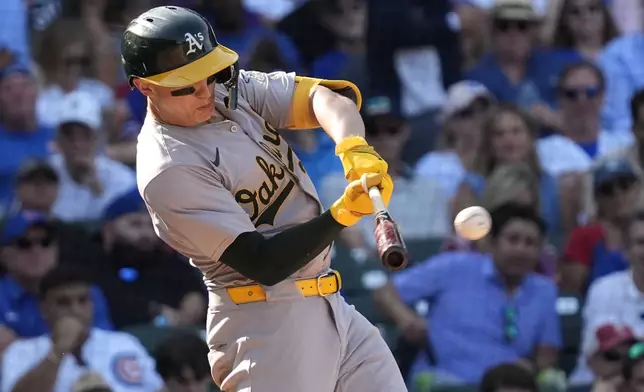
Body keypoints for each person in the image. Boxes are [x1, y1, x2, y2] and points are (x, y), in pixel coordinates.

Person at [123, 5, 403, 392]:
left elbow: (326, 97)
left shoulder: (227, 92)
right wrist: (340, 214)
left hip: (330, 303)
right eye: (186, 84)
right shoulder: (168, 167)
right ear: (144, 87)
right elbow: (263, 262)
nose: (206, 91)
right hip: (263, 323)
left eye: (210, 73)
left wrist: (353, 147)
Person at [0, 266, 162, 392]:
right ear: (44, 309)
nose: (75, 310)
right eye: (63, 303)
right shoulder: (22, 352)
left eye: (83, 300)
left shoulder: (123, 343)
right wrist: (59, 351)